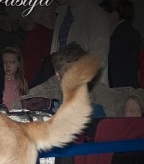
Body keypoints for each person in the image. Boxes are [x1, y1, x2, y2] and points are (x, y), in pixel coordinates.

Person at [12, 42, 144, 118]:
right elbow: (16, 108)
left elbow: (137, 93)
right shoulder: (44, 93)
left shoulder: (102, 94)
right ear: (58, 76)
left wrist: (134, 100)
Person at [49, 0, 110, 85]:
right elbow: (55, 53)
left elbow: (99, 59)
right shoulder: (61, 14)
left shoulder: (95, 15)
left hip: (89, 88)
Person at [99, 0, 142, 88]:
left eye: (102, 16)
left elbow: (117, 72)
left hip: (122, 93)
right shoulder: (127, 33)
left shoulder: (122, 36)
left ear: (114, 16)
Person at [20, 2, 57, 86]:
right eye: (51, 16)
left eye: (55, 15)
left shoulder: (38, 35)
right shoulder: (40, 37)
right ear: (39, 19)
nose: (55, 18)